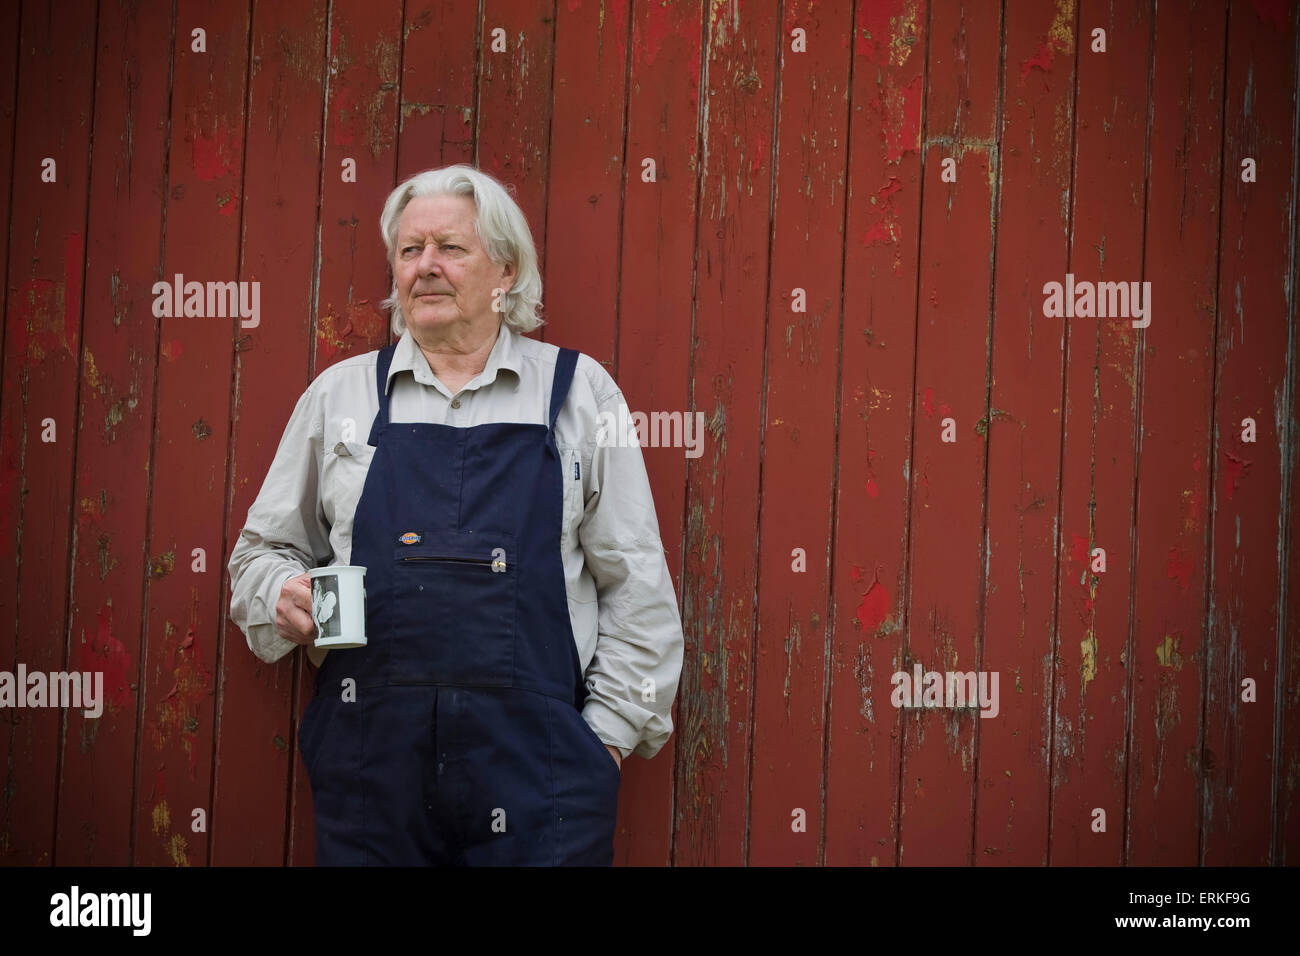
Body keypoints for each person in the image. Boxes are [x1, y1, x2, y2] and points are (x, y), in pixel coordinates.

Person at [227, 164, 684, 866]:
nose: (426, 268)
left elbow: (638, 586)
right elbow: (260, 555)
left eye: (450, 248)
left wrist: (603, 745)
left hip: (542, 783)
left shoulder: (581, 394)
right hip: (371, 775)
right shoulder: (340, 397)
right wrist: (281, 596)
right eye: (410, 251)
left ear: (506, 270)